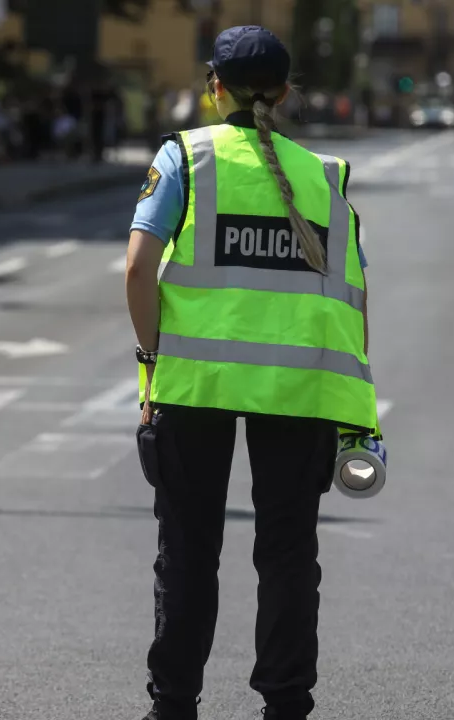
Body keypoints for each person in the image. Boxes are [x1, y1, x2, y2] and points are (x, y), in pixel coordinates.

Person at [125, 25, 376, 720]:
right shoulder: (324, 178)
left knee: (187, 549)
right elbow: (354, 300)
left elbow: (140, 267)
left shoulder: (185, 158)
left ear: (215, 88)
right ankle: (286, 705)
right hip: (297, 391)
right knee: (289, 553)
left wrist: (153, 359)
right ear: (287, 93)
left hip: (195, 387)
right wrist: (357, 417)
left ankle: (173, 705)